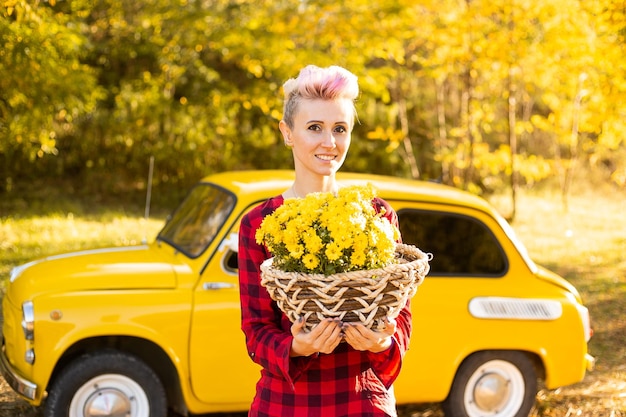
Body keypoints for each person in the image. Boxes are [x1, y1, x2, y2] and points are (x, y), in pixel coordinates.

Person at [238, 65, 412, 417]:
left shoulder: (377, 216)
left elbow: (403, 317)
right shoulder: (259, 223)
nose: (329, 142)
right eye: (314, 127)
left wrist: (383, 340)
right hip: (286, 403)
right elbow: (255, 331)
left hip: (362, 401)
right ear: (287, 133)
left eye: (340, 129)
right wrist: (296, 347)